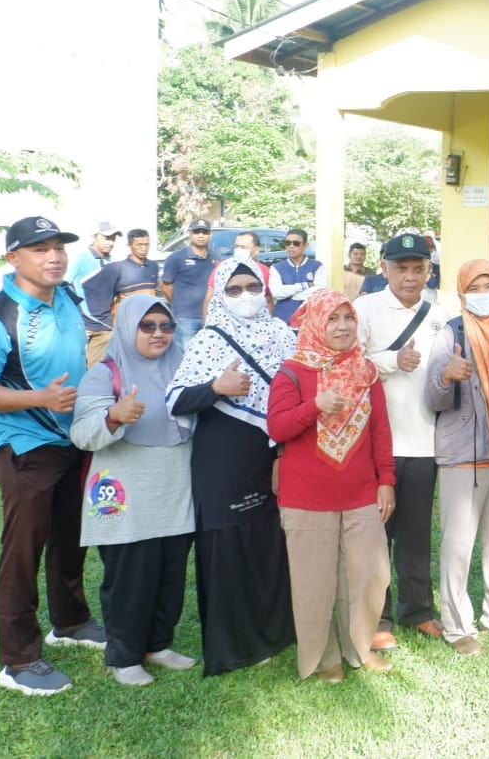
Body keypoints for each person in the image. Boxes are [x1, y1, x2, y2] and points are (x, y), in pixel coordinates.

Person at [0, 217, 106, 695]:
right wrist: (39, 400)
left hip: (72, 439)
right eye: (39, 249)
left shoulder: (66, 296)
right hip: (23, 445)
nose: (54, 257)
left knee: (72, 536)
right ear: (13, 258)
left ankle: (70, 621)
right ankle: (18, 661)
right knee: (23, 551)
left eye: (59, 247)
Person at [167, 259, 297, 675]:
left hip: (274, 450)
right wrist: (215, 387)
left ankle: (276, 632)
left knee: (270, 539)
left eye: (252, 287)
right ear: (220, 295)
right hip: (223, 455)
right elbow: (176, 399)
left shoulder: (281, 333)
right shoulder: (208, 339)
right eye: (234, 289)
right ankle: (233, 645)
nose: (245, 296)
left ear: (266, 289)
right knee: (227, 542)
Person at [267, 289, 396, 682]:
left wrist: (386, 479)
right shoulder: (292, 371)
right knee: (314, 583)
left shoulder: (366, 370)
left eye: (348, 318)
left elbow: (380, 430)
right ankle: (325, 659)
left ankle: (358, 648)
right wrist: (315, 406)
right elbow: (278, 427)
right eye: (332, 319)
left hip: (360, 493)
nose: (342, 327)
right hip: (307, 498)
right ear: (314, 324)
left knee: (369, 577)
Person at [70, 297, 196, 686]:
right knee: (131, 574)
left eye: (166, 325)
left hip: (175, 484)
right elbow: (81, 435)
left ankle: (158, 644)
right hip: (126, 485)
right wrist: (113, 415)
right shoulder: (104, 373)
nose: (159, 333)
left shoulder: (184, 364)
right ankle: (124, 656)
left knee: (170, 571)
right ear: (127, 327)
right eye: (148, 326)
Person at [354, 232, 448, 649]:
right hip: (380, 443)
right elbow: (346, 364)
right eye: (401, 268)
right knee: (377, 534)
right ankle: (378, 616)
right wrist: (392, 360)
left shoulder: (440, 312)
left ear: (429, 270)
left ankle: (418, 610)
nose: (410, 277)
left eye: (418, 268)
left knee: (416, 533)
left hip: (426, 440)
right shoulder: (364, 309)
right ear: (384, 268)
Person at [424, 259, 489, 654]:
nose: (483, 295)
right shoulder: (451, 333)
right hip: (463, 453)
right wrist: (447, 376)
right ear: (461, 294)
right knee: (458, 545)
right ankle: (457, 626)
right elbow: (432, 397)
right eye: (474, 288)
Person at [81, 229, 160, 366]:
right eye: (139, 244)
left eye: (146, 244)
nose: (143, 248)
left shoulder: (153, 266)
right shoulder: (117, 268)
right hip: (126, 328)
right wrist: (102, 322)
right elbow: (98, 295)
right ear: (129, 246)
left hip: (149, 326)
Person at [161, 219, 215, 343]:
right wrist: (178, 304)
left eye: (205, 232)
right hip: (185, 319)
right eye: (197, 232)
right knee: (186, 357)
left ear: (210, 235)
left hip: (210, 317)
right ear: (190, 234)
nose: (201, 235)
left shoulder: (216, 257)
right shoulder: (176, 258)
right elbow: (165, 285)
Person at [270, 228, 325, 325]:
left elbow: (319, 291)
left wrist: (292, 295)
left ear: (305, 245)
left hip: (310, 319)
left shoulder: (317, 266)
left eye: (296, 243)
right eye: (287, 243)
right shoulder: (276, 268)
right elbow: (277, 293)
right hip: (283, 319)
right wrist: (304, 286)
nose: (291, 246)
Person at [67, 221, 121, 286]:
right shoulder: (81, 258)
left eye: (113, 239)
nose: (111, 243)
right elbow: (63, 285)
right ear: (94, 237)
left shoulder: (114, 261)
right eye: (106, 238)